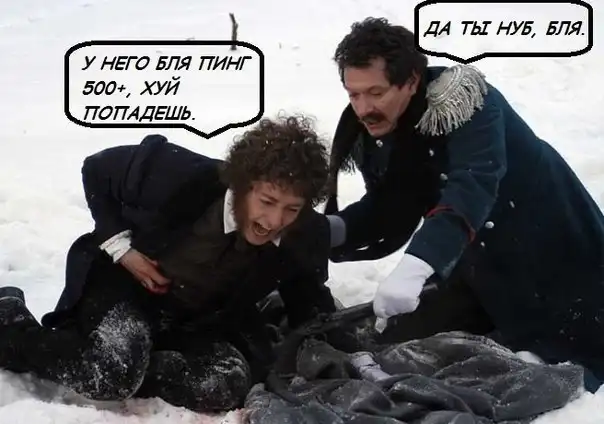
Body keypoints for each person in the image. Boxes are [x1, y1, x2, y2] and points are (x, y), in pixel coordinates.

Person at [324, 17, 604, 393]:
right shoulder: (375, 125)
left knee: (568, 354)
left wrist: (419, 263)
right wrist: (326, 232)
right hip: (478, 267)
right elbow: (389, 207)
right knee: (404, 344)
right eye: (353, 94)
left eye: (376, 92)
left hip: (553, 249)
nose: (363, 108)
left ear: (411, 81)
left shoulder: (464, 100)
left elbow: (472, 186)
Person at [0, 114, 337, 411]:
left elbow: (307, 296)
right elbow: (96, 168)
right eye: (267, 201)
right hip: (124, 289)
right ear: (242, 184)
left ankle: (129, 358)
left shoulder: (305, 234)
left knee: (226, 384)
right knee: (112, 373)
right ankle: (10, 322)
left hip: (193, 321)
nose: (276, 220)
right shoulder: (180, 175)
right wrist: (121, 248)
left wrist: (330, 348)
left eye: (292, 208)